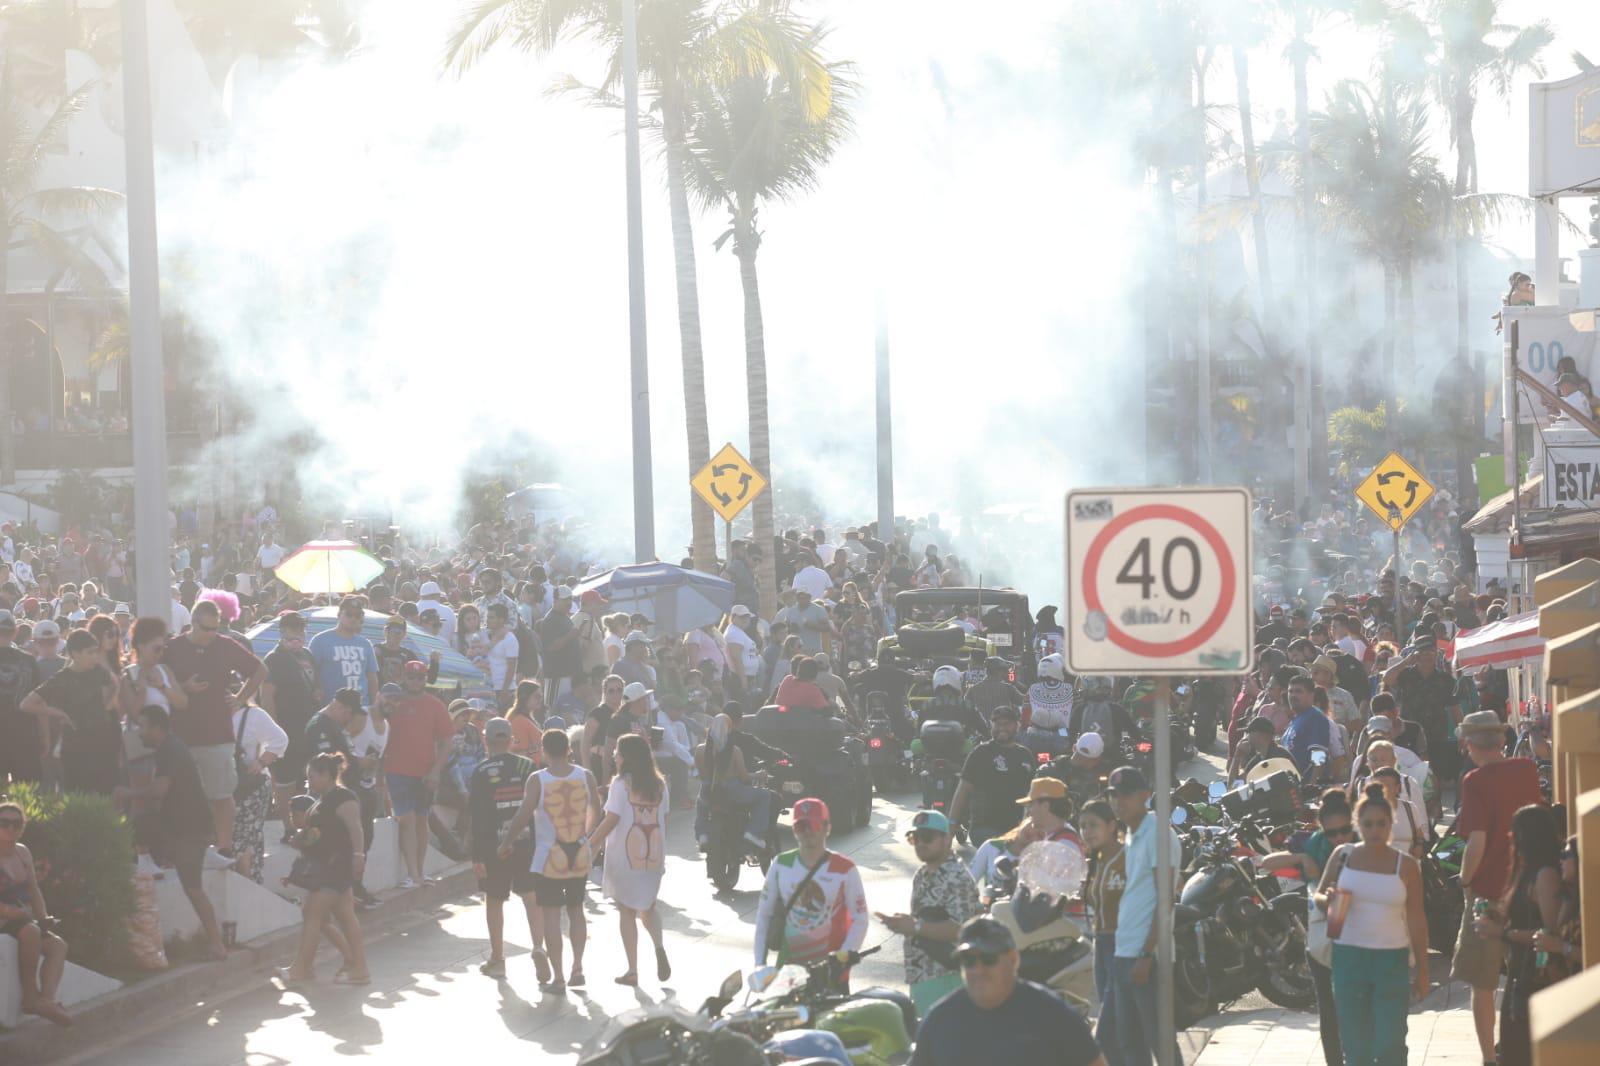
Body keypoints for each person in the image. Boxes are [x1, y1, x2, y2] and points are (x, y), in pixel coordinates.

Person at [1314, 783, 1428, 1066]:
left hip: (1391, 960)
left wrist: (1423, 969)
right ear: (1357, 824)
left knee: (1391, 1043)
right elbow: (1319, 895)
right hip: (1349, 958)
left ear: (1392, 824)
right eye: (1368, 824)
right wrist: (1327, 899)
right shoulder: (1343, 855)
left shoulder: (1407, 866)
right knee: (1356, 1046)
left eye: (1381, 823)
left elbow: (1416, 919)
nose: (1375, 830)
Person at [1454, 709, 1544, 1065]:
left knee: (1483, 981)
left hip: (1488, 890)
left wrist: (1464, 879)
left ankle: (1489, 1058)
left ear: (1469, 744)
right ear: (1501, 740)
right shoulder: (1526, 769)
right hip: (1527, 886)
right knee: (1525, 972)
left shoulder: (1474, 781)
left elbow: (1476, 842)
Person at [908, 915, 1106, 1066]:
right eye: (969, 961)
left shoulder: (1052, 1014)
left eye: (988, 959)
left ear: (1013, 960)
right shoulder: (941, 1018)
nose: (978, 970)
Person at [114, 705, 229, 962]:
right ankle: (149, 861)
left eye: (142, 727)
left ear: (157, 728)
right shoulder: (169, 748)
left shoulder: (169, 750)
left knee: (193, 887)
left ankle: (217, 944)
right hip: (178, 827)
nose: (139, 733)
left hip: (189, 830)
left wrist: (128, 794)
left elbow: (159, 790)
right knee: (141, 826)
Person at [499, 727, 603, 995]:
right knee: (577, 911)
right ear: (569, 749)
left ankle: (558, 977)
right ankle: (577, 967)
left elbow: (523, 815)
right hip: (578, 853)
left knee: (552, 916)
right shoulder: (585, 776)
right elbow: (596, 810)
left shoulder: (538, 780)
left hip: (548, 856)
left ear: (544, 751)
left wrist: (507, 842)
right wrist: (586, 837)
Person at [163, 599, 268, 863]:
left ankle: (224, 848)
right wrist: (183, 687)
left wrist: (242, 698)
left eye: (215, 628)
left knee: (221, 795)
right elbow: (159, 680)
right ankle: (184, 847)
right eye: (206, 628)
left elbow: (260, 670)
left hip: (217, 734)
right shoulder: (173, 648)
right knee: (180, 796)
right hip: (180, 735)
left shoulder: (224, 645)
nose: (211, 634)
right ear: (193, 623)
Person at [1258, 789, 1353, 1066]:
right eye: (1332, 832)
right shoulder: (1314, 844)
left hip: (1358, 938)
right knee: (1328, 1008)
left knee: (1355, 1006)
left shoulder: (1362, 842)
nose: (1339, 838)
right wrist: (1300, 859)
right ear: (1322, 829)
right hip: (1323, 937)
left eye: (1345, 830)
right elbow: (1266, 863)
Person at [1470, 805, 1564, 1066]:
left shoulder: (1545, 875)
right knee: (1513, 1047)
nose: (1510, 837)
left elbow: (1550, 932)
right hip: (1519, 972)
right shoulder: (1525, 872)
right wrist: (1497, 915)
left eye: (1515, 832)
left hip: (1538, 976)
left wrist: (1502, 932)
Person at [274, 752, 370, 987]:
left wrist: (359, 856)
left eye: (312, 776)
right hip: (325, 865)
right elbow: (317, 833)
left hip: (336, 866)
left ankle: (302, 969)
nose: (308, 782)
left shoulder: (343, 797)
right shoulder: (321, 799)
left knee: (313, 912)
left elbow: (355, 829)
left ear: (327, 775)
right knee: (345, 916)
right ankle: (358, 968)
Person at [1108, 766, 1181, 1066]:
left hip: (1146, 955)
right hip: (1125, 950)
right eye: (1113, 795)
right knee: (1130, 1043)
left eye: (1124, 795)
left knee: (1160, 1042)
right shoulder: (1131, 833)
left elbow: (1165, 899)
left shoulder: (1158, 834)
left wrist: (1147, 953)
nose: (1117, 801)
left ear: (1145, 796)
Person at [753, 797, 868, 986]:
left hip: (830, 972)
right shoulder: (781, 864)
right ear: (794, 830)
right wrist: (759, 964)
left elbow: (860, 919)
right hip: (788, 972)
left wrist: (844, 957)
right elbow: (764, 915)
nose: (807, 832)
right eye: (801, 826)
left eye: (813, 825)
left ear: (827, 828)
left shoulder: (845, 869)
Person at [876, 809, 981, 1015]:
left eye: (927, 837)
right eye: (915, 838)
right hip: (921, 974)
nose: (920, 843)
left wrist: (914, 926)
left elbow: (962, 929)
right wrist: (904, 923)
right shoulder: (922, 874)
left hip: (946, 977)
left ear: (946, 839)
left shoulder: (957, 877)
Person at [468, 717, 548, 984]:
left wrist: (477, 856)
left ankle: (498, 959)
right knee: (530, 896)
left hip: (494, 846)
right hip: (527, 842)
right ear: (511, 739)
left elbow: (477, 817)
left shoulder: (480, 771)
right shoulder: (528, 766)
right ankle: (538, 947)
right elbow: (538, 807)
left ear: (486, 740)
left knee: (494, 899)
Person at [588, 732, 672, 986]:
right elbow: (663, 819)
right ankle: (658, 947)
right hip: (653, 855)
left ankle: (633, 969)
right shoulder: (660, 784)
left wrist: (590, 844)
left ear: (625, 757)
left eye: (616, 752)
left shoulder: (620, 784)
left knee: (626, 910)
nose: (613, 755)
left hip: (625, 856)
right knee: (648, 906)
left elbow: (611, 820)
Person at [21, 629, 120, 795]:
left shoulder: (98, 672)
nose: (95, 657)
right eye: (90, 653)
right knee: (76, 794)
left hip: (102, 740)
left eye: (96, 652)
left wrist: (107, 704)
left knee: (105, 793)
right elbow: (26, 704)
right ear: (75, 654)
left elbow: (115, 683)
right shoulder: (62, 678)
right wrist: (57, 713)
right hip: (75, 744)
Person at [0, 800, 72, 1026]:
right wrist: (7, 911)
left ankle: (47, 1000)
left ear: (22, 826)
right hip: (5, 915)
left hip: (21, 916)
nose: (11, 828)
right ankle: (30, 998)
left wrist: (44, 918)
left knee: (58, 945)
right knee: (30, 932)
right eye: (4, 823)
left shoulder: (23, 853)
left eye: (16, 823)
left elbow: (33, 888)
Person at [384, 660, 454, 889]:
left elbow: (446, 741)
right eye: (412, 677)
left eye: (420, 677)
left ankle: (419, 872)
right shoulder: (393, 702)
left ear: (426, 678)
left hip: (424, 773)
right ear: (404, 677)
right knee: (406, 820)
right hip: (396, 770)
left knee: (422, 820)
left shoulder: (435, 705)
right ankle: (413, 874)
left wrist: (436, 771)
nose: (416, 681)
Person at [261, 611, 319, 835]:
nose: (298, 633)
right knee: (285, 782)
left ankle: (308, 824)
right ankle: (288, 827)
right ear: (283, 631)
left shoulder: (307, 654)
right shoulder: (274, 659)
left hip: (308, 727)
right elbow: (267, 697)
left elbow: (315, 683)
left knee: (308, 779)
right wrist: (275, 732)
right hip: (286, 729)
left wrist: (318, 691)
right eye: (293, 628)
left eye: (301, 628)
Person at [1079, 799, 1127, 1066]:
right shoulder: (1095, 861)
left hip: (1125, 946)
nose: (1087, 832)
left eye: (1094, 825)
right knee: (1116, 1030)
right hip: (1102, 943)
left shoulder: (1128, 857)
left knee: (1106, 1030)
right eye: (1083, 826)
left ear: (1111, 826)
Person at [949, 703, 1033, 845]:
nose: (1002, 728)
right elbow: (962, 790)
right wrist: (951, 825)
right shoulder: (980, 753)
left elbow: (1033, 795)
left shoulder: (1025, 755)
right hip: (984, 829)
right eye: (997, 724)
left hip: (1017, 828)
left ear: (1017, 726)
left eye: (1006, 724)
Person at [230, 697, 288, 883]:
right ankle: (249, 885)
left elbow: (280, 739)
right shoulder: (212, 716)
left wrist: (261, 762)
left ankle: (248, 886)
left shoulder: (253, 715)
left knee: (245, 837)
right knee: (237, 837)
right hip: (226, 786)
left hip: (251, 786)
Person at [0, 609, 46, 785]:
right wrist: (45, 735)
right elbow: (40, 700)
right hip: (25, 735)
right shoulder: (29, 662)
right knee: (28, 794)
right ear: (15, 631)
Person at [308, 597, 380, 707]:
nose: (353, 619)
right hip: (331, 708)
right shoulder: (320, 640)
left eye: (357, 615)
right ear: (339, 614)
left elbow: (372, 677)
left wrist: (374, 705)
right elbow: (311, 673)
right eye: (349, 614)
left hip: (361, 708)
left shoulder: (365, 644)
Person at [1281, 673, 1331, 777]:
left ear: (1311, 695)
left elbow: (1319, 754)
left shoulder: (1315, 717)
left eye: (1298, 691)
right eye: (1290, 691)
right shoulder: (1295, 720)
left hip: (1307, 787)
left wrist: (1312, 785)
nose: (1293, 695)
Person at [1022, 653, 1074, 755]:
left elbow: (1025, 714)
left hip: (1034, 731)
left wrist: (1024, 728)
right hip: (1060, 731)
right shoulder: (1068, 689)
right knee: (1066, 746)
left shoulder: (1032, 689)